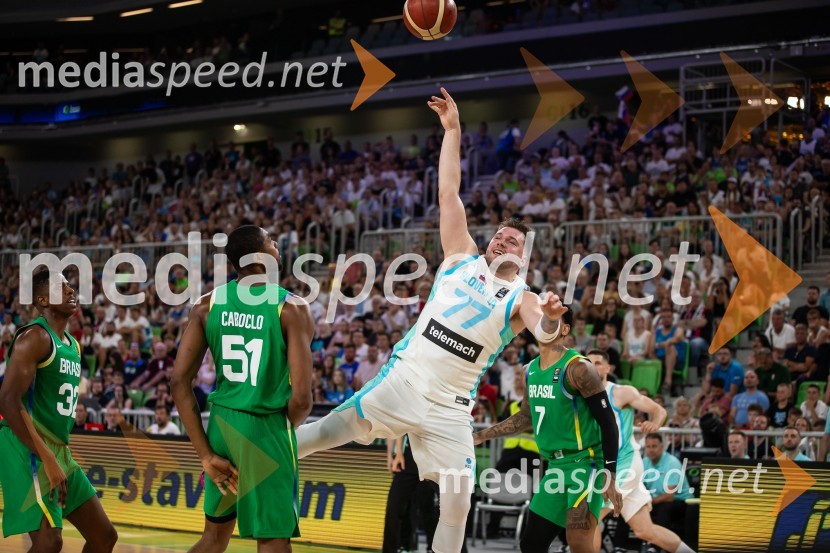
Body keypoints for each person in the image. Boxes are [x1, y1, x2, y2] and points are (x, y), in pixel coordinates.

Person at [296, 89, 571, 553]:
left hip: (451, 407)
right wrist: (452, 131)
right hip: (405, 379)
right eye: (500, 236)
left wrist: (549, 319)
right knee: (327, 432)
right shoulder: (460, 255)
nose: (504, 242)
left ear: (525, 258)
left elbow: (545, 335)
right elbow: (448, 191)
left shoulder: (523, 297)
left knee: (459, 502)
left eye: (514, 242)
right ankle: (247, 459)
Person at [171, 225, 313, 553]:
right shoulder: (291, 307)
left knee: (213, 538)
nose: (277, 243)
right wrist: (278, 430)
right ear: (260, 256)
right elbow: (303, 399)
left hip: (221, 427)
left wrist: (206, 454)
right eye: (271, 240)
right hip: (265, 426)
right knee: (273, 539)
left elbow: (178, 382)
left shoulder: (207, 305)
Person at [472, 311, 623, 553]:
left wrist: (610, 473)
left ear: (565, 330)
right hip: (555, 467)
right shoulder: (529, 370)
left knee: (579, 543)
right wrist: (483, 435)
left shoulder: (579, 368)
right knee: (531, 544)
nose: (545, 323)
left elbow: (608, 422)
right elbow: (525, 416)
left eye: (553, 320)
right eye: (541, 318)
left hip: (586, 464)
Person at [0, 269, 117, 551]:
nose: (70, 291)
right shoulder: (34, 337)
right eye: (60, 287)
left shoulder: (74, 346)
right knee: (50, 542)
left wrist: (55, 456)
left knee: (104, 537)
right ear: (42, 299)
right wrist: (46, 458)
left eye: (70, 285)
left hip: (57, 449)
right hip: (24, 446)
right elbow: (7, 400)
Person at [588, 350, 696, 553]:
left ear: (607, 368)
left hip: (624, 462)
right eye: (587, 362)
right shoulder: (581, 396)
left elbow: (659, 410)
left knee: (588, 520)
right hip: (605, 467)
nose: (591, 366)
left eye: (597, 363)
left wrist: (654, 424)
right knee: (645, 531)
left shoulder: (620, 392)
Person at [642, 434, 693, 543]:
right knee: (631, 507)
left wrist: (649, 501)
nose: (651, 450)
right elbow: (639, 486)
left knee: (664, 508)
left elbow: (669, 496)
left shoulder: (672, 463)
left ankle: (657, 547)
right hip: (656, 501)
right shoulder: (645, 462)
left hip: (681, 501)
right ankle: (619, 547)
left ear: (662, 447)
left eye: (654, 446)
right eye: (648, 446)